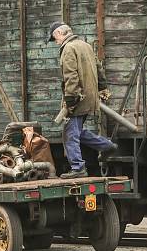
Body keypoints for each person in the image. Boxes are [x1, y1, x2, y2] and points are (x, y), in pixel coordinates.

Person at [47, 21, 117, 179]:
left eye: (54, 38)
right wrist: (102, 88)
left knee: (69, 134)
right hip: (90, 98)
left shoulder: (68, 49)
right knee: (77, 131)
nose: (55, 42)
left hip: (78, 98)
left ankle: (78, 168)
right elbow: (99, 68)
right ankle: (107, 146)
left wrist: (70, 102)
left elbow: (71, 77)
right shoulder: (85, 45)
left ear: (59, 33)